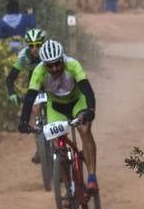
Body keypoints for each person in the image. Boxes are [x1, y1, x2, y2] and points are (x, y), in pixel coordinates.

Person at [17, 39, 98, 190]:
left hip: (77, 102)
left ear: (62, 59)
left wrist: (90, 111)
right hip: (56, 107)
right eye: (50, 65)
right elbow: (29, 98)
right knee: (56, 145)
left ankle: (92, 176)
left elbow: (87, 90)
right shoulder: (39, 71)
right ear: (44, 64)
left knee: (85, 130)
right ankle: (69, 188)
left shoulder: (72, 64)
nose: (54, 68)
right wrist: (23, 121)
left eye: (57, 63)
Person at [6, 28, 46, 164]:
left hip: (50, 80)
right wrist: (12, 93)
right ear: (28, 46)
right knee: (35, 111)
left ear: (43, 44)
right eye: (32, 45)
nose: (35, 49)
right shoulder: (24, 56)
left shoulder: (48, 52)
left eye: (38, 45)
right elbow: (10, 78)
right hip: (34, 81)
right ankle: (39, 147)